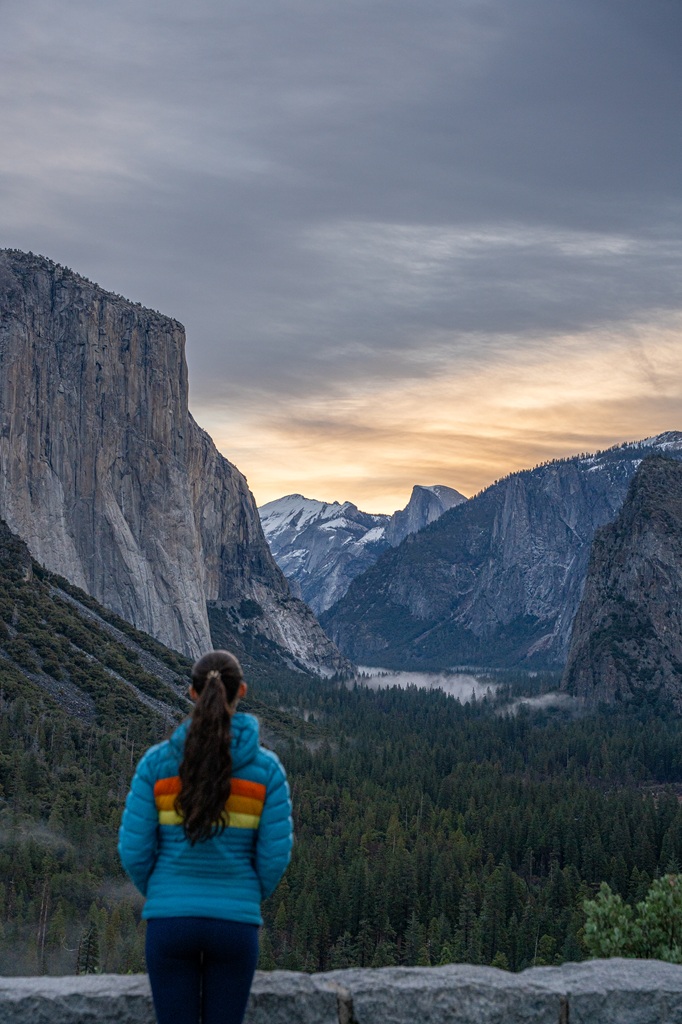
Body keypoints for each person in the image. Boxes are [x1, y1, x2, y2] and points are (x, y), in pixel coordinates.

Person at [118, 649, 293, 1024]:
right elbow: (275, 856)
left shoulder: (155, 764)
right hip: (235, 925)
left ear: (192, 692)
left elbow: (133, 850)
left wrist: (165, 890)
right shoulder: (267, 771)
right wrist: (244, 892)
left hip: (169, 924)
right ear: (241, 690)